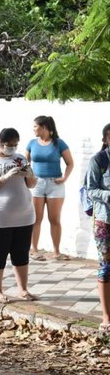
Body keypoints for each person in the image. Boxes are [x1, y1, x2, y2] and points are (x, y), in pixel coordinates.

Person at [0, 128, 38, 303]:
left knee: (21, 253)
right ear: (0, 143)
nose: (12, 148)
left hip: (24, 215)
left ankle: (23, 289)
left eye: (15, 144)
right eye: (8, 144)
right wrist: (5, 178)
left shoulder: (20, 158)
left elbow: (32, 184)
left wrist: (30, 174)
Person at [25, 115, 74, 261]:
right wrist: (29, 178)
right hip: (37, 184)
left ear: (44, 127)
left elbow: (70, 163)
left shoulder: (59, 143)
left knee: (54, 219)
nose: (33, 129)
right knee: (36, 218)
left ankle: (57, 252)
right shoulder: (32, 143)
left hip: (55, 185)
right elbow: (24, 163)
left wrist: (65, 178)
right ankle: (34, 250)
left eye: (35, 126)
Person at [86, 124, 110, 332]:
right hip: (105, 221)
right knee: (106, 267)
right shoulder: (99, 160)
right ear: (106, 139)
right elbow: (91, 190)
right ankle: (106, 317)